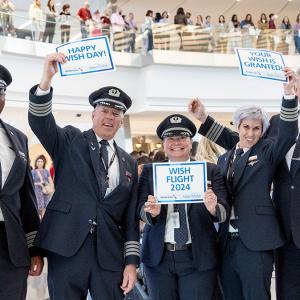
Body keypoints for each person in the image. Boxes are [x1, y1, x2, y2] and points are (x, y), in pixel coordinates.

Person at [28, 53, 139, 300]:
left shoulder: (129, 162)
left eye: (116, 113)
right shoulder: (70, 140)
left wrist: (131, 261)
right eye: (105, 110)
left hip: (109, 254)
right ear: (93, 113)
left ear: (122, 121)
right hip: (67, 247)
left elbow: (130, 218)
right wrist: (46, 80)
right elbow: (39, 121)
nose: (110, 117)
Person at [189, 68, 298, 300]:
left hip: (256, 242)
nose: (250, 133)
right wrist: (202, 118)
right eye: (246, 127)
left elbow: (287, 135)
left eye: (257, 128)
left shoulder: (267, 151)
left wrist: (289, 96)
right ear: (238, 127)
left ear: (263, 132)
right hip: (227, 243)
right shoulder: (225, 157)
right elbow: (229, 140)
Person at [138, 114, 228, 300]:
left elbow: (223, 210)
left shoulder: (210, 170)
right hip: (158, 257)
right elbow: (137, 207)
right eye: (170, 138)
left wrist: (213, 208)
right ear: (163, 142)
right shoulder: (150, 171)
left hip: (198, 256)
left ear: (190, 141)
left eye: (182, 137)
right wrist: (151, 213)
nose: (176, 142)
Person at [0, 64, 43, 299]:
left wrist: (33, 248)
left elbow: (27, 200)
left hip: (11, 243)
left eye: (0, 91)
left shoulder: (18, 138)